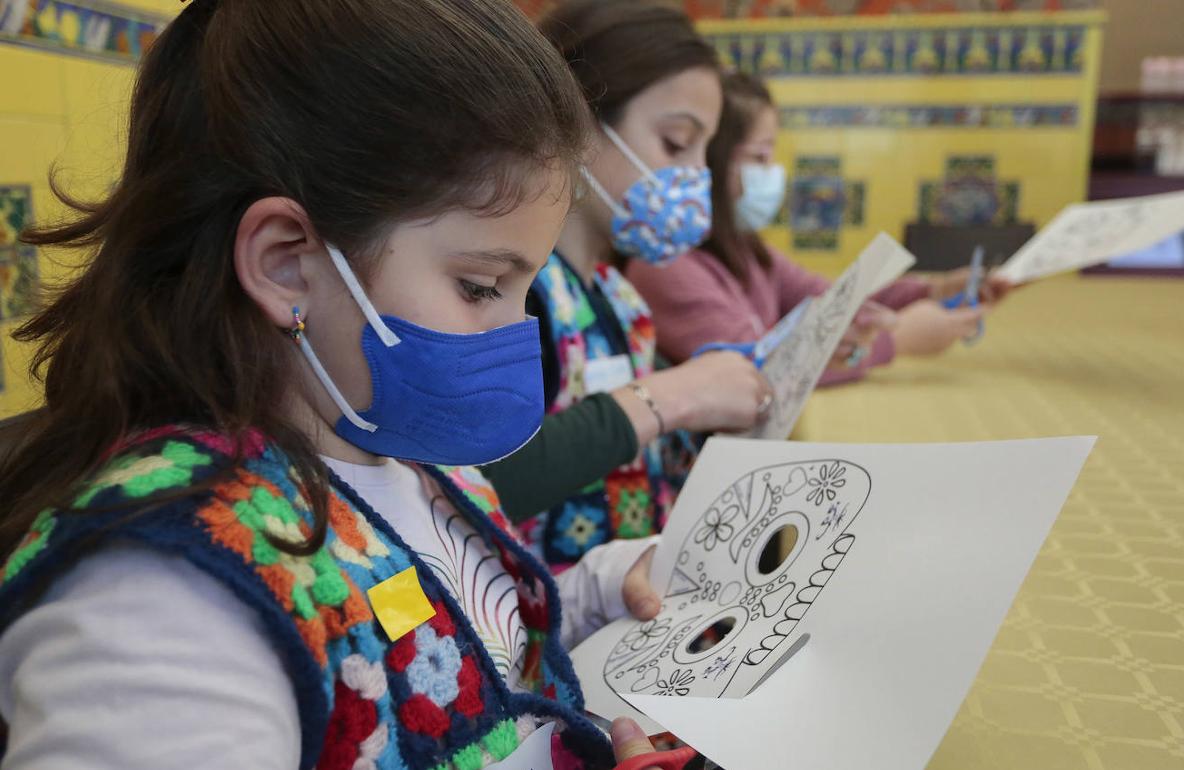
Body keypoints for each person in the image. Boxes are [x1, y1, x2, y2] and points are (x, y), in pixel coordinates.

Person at [0, 2, 669, 768]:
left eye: (529, 290)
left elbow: (461, 651)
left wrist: (597, 592)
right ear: (287, 264)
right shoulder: (170, 590)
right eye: (482, 286)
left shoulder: (406, 458)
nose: (518, 337)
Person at [481, 0, 772, 570]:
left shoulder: (620, 296)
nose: (693, 177)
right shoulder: (513, 294)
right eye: (674, 142)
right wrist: (676, 395)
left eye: (703, 153)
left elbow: (634, 465)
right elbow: (479, 488)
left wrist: (713, 413)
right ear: (579, 120)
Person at [627, 71, 1013, 383]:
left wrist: (935, 290)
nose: (774, 171)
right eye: (761, 155)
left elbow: (834, 300)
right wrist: (898, 340)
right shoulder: (667, 266)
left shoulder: (745, 250)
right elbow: (757, 373)